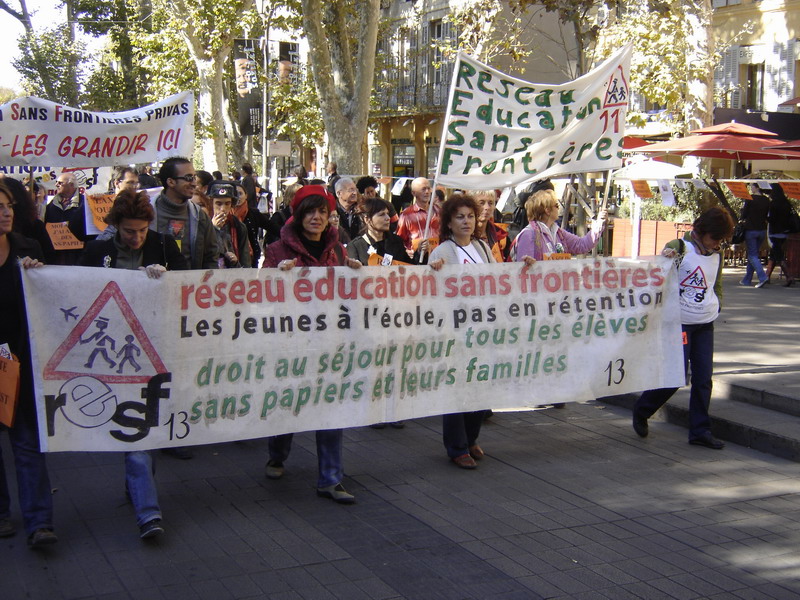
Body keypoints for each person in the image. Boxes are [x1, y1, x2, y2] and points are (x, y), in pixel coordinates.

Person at [79, 189, 188, 539]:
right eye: (129, 231)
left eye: (142, 231)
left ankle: (138, 487)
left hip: (157, 348)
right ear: (115, 226)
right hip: (114, 353)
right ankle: (148, 512)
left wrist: (166, 280)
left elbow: (189, 288)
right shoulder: (97, 251)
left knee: (147, 425)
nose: (137, 238)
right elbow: (75, 292)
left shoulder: (165, 246)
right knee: (137, 431)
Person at [262, 184, 362, 503]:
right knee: (290, 404)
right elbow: (261, 293)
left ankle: (330, 479)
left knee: (330, 407)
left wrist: (356, 273)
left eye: (322, 212)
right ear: (298, 215)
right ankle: (277, 453)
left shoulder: (337, 250)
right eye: (310, 212)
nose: (317, 218)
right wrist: (277, 277)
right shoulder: (278, 249)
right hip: (292, 343)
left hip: (329, 341)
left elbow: (348, 293)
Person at [632, 206, 735, 449]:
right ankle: (643, 409)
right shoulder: (678, 247)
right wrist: (664, 260)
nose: (717, 244)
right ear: (701, 231)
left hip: (705, 324)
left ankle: (700, 431)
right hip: (679, 325)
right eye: (715, 238)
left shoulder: (716, 254)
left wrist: (717, 305)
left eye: (721, 240)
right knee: (676, 375)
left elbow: (715, 283)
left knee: (704, 378)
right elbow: (659, 278)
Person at [0, 181, 57, 548]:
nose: (6, 211)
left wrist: (38, 276)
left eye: (8, 204)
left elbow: (51, 300)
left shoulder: (27, 250)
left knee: (27, 443)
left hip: (19, 363)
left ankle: (39, 521)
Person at [428, 193, 496, 469]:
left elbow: (500, 279)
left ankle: (471, 438)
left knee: (480, 384)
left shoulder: (483, 247)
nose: (466, 221)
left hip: (483, 328)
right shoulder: (443, 251)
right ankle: (456, 446)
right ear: (449, 222)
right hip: (455, 331)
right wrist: (432, 271)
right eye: (460, 217)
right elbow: (430, 290)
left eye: (470, 216)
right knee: (457, 388)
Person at [154, 157, 218, 269]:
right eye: (188, 178)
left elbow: (211, 256)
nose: (194, 183)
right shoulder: (147, 212)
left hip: (191, 285)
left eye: (194, 178)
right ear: (171, 182)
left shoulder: (200, 216)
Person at [511, 188, 606, 261]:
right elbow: (524, 270)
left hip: (555, 284)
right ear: (547, 210)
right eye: (556, 205)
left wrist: (599, 224)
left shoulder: (558, 233)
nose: (558, 209)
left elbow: (582, 244)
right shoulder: (528, 234)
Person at [208, 182, 252, 268]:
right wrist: (213, 229)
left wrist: (236, 262)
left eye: (227, 204)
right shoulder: (204, 224)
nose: (223, 209)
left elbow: (245, 261)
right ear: (211, 204)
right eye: (218, 204)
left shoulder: (238, 226)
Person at [45, 171, 84, 265]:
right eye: (56, 182)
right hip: (55, 255)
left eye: (60, 183)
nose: (56, 185)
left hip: (78, 255)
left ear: (71, 185)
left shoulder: (85, 203)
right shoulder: (51, 205)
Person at [396, 177, 440, 258]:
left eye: (428, 188)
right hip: (417, 260)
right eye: (423, 189)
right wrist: (408, 252)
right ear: (414, 193)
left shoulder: (439, 211)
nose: (427, 192)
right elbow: (399, 241)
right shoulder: (407, 215)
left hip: (437, 259)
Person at [739, 183, 770, 288]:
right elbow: (767, 215)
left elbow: (744, 214)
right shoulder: (766, 200)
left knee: (752, 255)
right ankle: (747, 279)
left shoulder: (750, 198)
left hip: (751, 230)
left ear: (757, 187)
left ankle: (762, 277)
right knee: (754, 255)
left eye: (752, 186)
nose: (750, 188)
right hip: (762, 230)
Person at [765, 183, 795, 287]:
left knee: (779, 255)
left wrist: (766, 218)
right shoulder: (787, 203)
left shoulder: (773, 204)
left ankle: (789, 276)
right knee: (774, 254)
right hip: (784, 232)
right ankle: (766, 276)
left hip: (775, 232)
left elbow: (772, 219)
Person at [473, 190, 510, 262]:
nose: (487, 207)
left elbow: (511, 264)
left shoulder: (501, 235)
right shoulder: (462, 235)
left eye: (490, 203)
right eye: (481, 203)